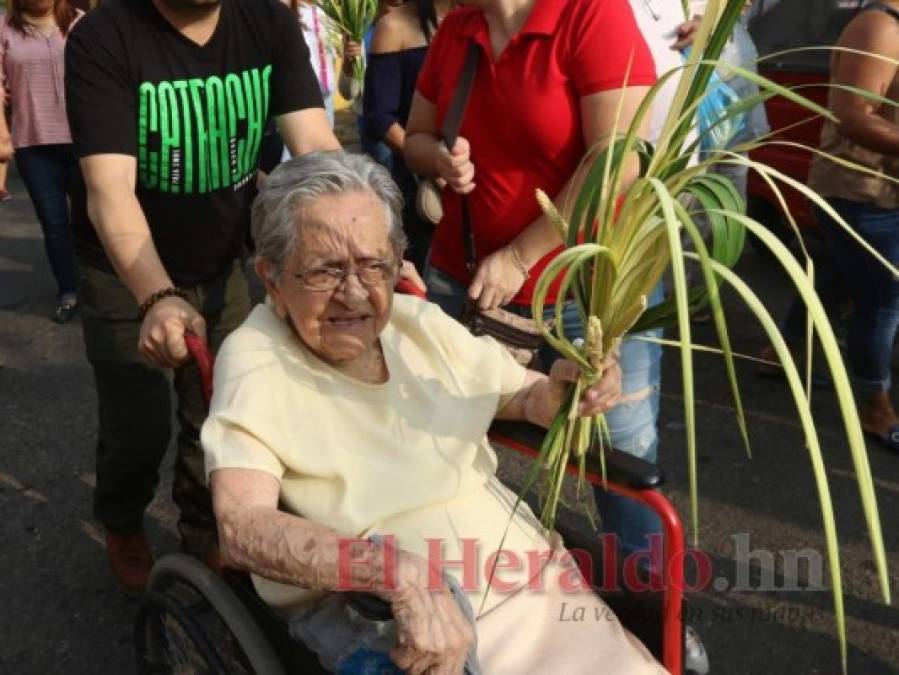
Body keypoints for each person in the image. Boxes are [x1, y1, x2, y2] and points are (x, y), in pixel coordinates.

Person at [202, 151, 667, 675]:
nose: (354, 293)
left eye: (373, 265)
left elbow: (525, 397)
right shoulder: (257, 356)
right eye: (325, 270)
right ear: (271, 277)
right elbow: (242, 525)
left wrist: (572, 390)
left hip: (533, 580)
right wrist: (394, 573)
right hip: (392, 616)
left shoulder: (417, 323)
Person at [64, 0, 340, 594]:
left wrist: (358, 237)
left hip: (224, 260)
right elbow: (109, 190)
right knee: (138, 423)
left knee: (219, 411)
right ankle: (122, 517)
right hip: (124, 270)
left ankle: (205, 526)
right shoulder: (104, 37)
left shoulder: (266, 21)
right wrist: (157, 296)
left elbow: (314, 142)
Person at [404, 0, 668, 581]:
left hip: (587, 297)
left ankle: (653, 614)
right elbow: (415, 136)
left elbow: (617, 162)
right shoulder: (459, 27)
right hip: (466, 280)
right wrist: (441, 161)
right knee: (454, 445)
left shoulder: (590, 15)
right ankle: (480, 595)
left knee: (621, 462)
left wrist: (522, 256)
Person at [803, 0, 899, 450]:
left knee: (841, 280)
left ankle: (780, 352)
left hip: (878, 191)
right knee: (882, 302)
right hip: (860, 193)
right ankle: (876, 409)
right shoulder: (880, 26)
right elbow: (854, 115)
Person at [0, 0, 83, 321]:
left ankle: (106, 288)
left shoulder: (80, 23)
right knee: (55, 225)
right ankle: (69, 290)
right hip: (34, 145)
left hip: (84, 141)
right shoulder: (5, 28)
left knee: (94, 221)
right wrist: (3, 135)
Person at [363, 0, 451, 271]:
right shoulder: (394, 26)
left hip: (467, 168)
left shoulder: (479, 20)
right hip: (412, 170)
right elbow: (379, 116)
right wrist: (433, 163)